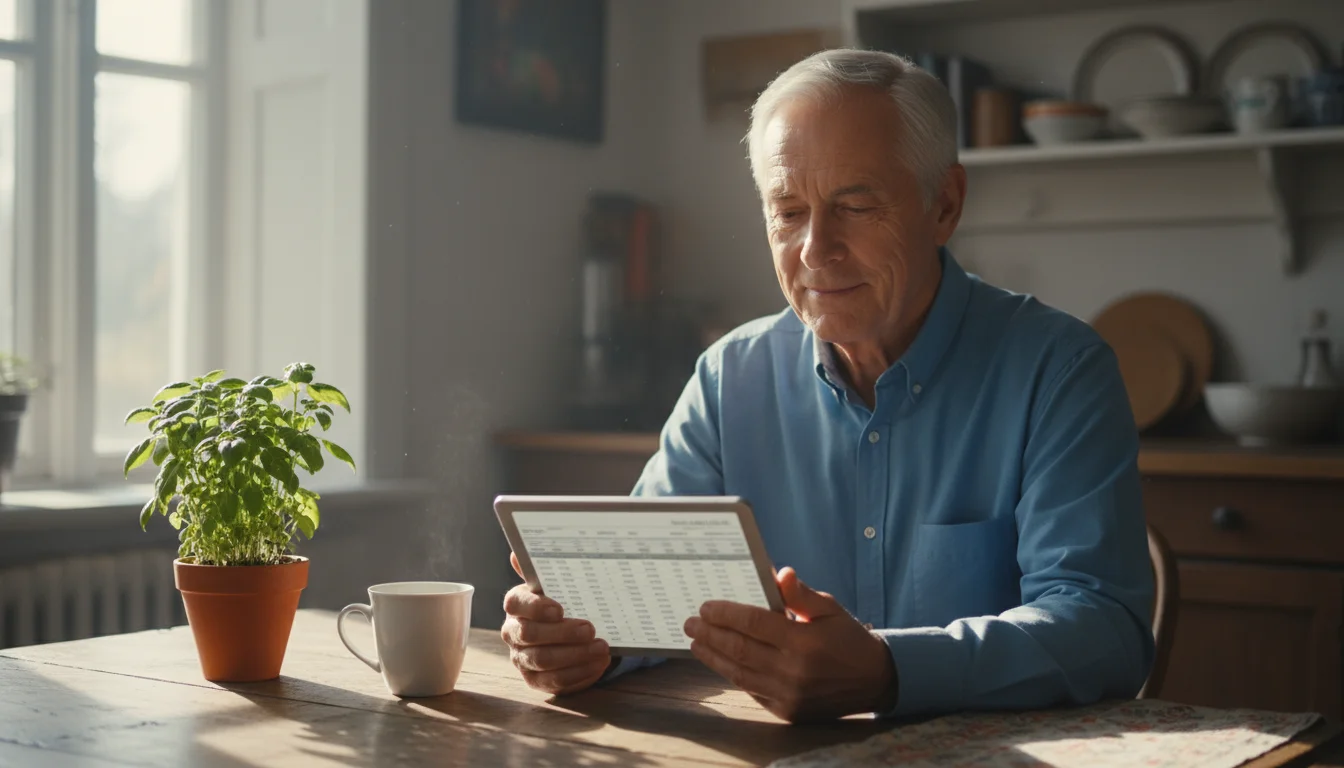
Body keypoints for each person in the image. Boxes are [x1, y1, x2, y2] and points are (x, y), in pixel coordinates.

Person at [499, 48, 1154, 723]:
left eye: (856, 206)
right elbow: (648, 599)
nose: (815, 249)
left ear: (945, 204)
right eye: (787, 212)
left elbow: (1104, 630)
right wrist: (582, 642)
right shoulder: (729, 378)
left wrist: (888, 671)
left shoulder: (1060, 370)